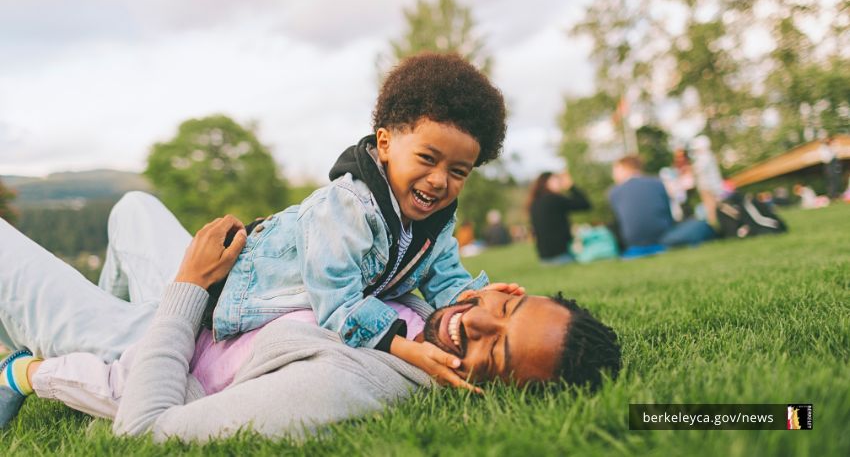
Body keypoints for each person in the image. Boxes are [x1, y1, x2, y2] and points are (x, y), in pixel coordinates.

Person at [0, 194, 622, 440]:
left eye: (499, 353)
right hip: (211, 311)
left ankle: (79, 345)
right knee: (133, 207)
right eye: (506, 307)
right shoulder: (435, 311)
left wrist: (187, 287)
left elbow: (146, 431)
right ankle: (99, 314)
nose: (478, 324)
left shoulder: (347, 386)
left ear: (496, 392)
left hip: (162, 345)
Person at [205, 52, 511, 390]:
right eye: (427, 158)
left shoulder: (435, 222)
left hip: (313, 305)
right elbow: (338, 302)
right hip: (243, 298)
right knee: (335, 352)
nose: (439, 181)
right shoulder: (347, 206)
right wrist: (407, 350)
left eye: (457, 171)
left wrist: (478, 299)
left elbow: (445, 279)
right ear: (385, 144)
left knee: (393, 317)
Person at [609, 156, 715, 258]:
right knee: (699, 225)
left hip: (633, 244)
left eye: (615, 170)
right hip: (663, 239)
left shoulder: (613, 192)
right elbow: (667, 215)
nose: (613, 175)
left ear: (624, 168)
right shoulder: (657, 183)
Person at [527, 172, 591, 265]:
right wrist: (571, 186)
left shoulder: (534, 204)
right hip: (561, 256)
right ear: (546, 183)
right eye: (556, 180)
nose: (560, 183)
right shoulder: (555, 199)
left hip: (544, 260)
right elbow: (585, 205)